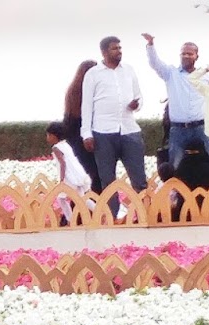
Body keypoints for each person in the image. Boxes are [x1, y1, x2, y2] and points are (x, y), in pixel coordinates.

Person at [80, 36, 147, 218]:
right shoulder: (93, 74)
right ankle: (113, 217)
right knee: (108, 180)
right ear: (103, 52)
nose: (119, 51)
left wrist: (137, 104)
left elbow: (139, 97)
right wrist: (86, 133)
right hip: (103, 133)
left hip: (129, 130)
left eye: (120, 47)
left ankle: (143, 215)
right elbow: (86, 106)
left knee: (139, 178)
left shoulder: (129, 70)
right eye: (114, 48)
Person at [142, 34, 208, 170]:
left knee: (207, 161)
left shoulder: (205, 77)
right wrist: (150, 44)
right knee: (175, 165)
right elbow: (155, 63)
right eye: (183, 53)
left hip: (201, 128)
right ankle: (175, 191)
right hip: (178, 129)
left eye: (190, 53)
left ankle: (206, 191)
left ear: (197, 56)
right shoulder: (171, 73)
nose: (186, 56)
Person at [62, 60, 103, 193]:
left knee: (83, 178)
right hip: (89, 142)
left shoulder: (72, 93)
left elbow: (67, 124)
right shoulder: (90, 93)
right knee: (96, 176)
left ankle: (80, 209)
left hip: (76, 143)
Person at [46, 120, 92, 224]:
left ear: (55, 136)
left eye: (49, 135)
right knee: (81, 198)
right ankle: (99, 210)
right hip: (78, 175)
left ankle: (70, 219)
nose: (47, 138)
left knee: (61, 198)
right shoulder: (65, 144)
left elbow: (62, 163)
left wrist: (62, 180)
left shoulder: (56, 148)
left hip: (69, 178)